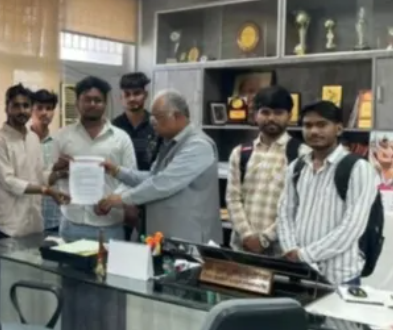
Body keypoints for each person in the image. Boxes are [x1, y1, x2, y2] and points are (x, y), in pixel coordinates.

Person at [277, 101, 377, 285]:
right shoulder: (296, 167)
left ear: (338, 129)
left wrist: (305, 255)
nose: (314, 131)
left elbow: (352, 227)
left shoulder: (358, 168)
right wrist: (291, 250)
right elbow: (285, 213)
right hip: (300, 272)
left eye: (322, 124)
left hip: (339, 276)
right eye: (308, 125)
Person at [102, 90, 222, 244]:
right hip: (164, 234)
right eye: (152, 117)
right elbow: (153, 177)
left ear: (177, 116)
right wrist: (117, 171)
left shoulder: (198, 145)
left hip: (189, 237)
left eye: (158, 117)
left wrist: (122, 198)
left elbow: (164, 183)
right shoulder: (169, 143)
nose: (152, 122)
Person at [48, 76, 137, 242]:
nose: (93, 104)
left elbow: (131, 178)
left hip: (109, 226)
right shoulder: (62, 136)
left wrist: (112, 200)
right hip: (71, 224)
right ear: (77, 103)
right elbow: (47, 178)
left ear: (105, 104)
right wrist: (56, 171)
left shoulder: (121, 138)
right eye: (87, 100)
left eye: (98, 100)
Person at [226, 86, 306, 255]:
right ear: (256, 115)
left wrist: (265, 239)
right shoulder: (240, 153)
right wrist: (247, 236)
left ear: (290, 116)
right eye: (265, 112)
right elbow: (233, 198)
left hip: (283, 253)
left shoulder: (302, 154)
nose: (271, 118)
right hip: (242, 248)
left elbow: (301, 206)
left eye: (278, 113)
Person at [0, 84, 69, 238]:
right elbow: (8, 181)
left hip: (35, 224)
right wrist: (46, 191)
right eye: (16, 106)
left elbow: (40, 176)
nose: (22, 110)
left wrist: (59, 172)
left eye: (26, 106)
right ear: (7, 108)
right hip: (10, 227)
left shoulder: (33, 138)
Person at [112, 72, 157, 240]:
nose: (132, 98)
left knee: (151, 246)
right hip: (121, 198)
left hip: (151, 196)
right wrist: (125, 202)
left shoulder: (156, 125)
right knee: (119, 246)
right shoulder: (113, 128)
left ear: (145, 95)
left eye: (137, 93)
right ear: (121, 97)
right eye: (127, 94)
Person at [30, 89, 62, 234]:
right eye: (40, 108)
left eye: (49, 108)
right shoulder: (21, 140)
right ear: (31, 110)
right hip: (27, 220)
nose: (44, 113)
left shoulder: (59, 142)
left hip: (54, 218)